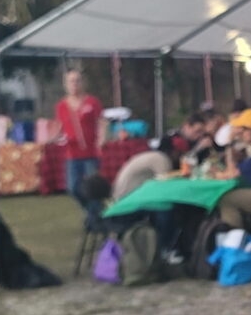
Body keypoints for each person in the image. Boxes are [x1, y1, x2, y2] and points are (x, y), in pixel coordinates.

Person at [53, 70, 107, 216]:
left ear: (83, 83)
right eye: (71, 81)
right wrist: (55, 138)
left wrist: (101, 138)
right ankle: (91, 212)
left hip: (91, 152)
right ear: (65, 84)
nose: (74, 84)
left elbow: (101, 122)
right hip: (72, 153)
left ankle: (95, 217)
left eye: (77, 80)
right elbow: (59, 127)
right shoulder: (62, 106)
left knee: (93, 187)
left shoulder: (92, 102)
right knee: (72, 187)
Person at [111, 136, 189, 201]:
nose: (181, 157)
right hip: (127, 200)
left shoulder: (153, 155)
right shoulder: (161, 159)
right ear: (174, 151)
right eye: (180, 153)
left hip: (124, 196)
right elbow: (166, 186)